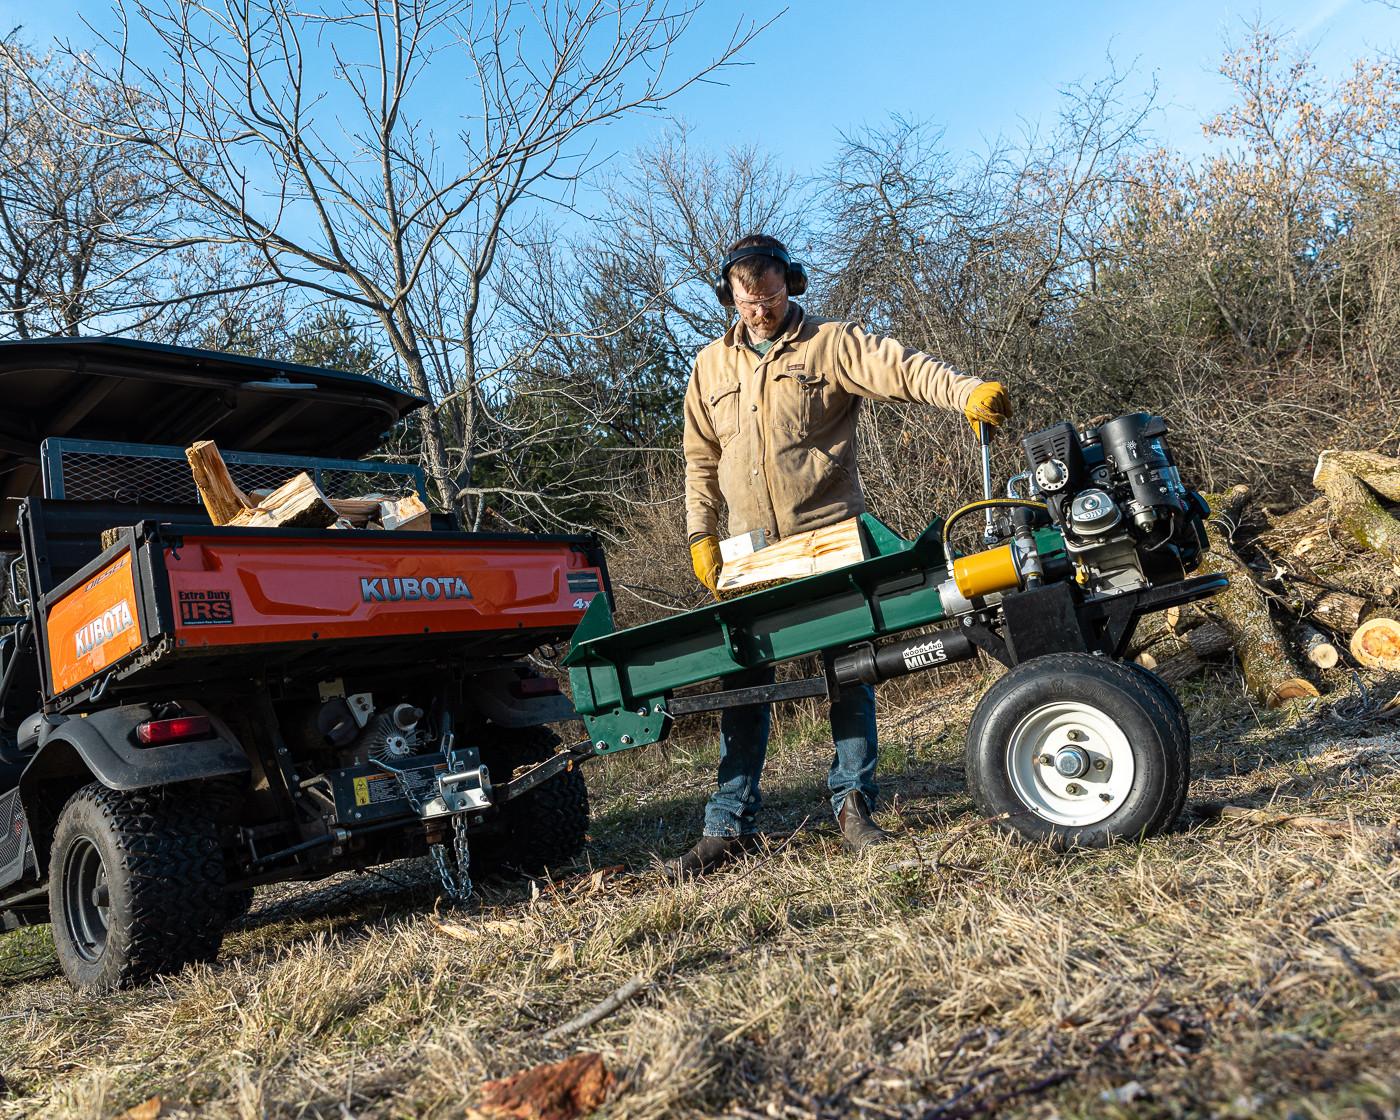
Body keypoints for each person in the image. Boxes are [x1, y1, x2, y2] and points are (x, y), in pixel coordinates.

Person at [674, 233, 1011, 876]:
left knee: (849, 672)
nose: (758, 311)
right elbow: (698, 462)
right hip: (748, 555)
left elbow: (903, 368)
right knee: (743, 680)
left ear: (789, 285)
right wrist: (700, 536)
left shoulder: (830, 345)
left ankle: (852, 802)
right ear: (730, 297)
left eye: (768, 296)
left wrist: (966, 391)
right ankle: (728, 823)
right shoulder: (709, 368)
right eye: (745, 300)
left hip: (829, 537)